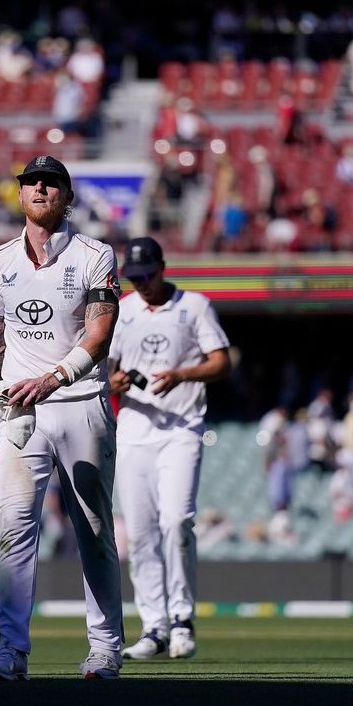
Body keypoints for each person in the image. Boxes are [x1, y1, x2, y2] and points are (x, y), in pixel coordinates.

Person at [0, 155, 124, 680]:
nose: (40, 188)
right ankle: (11, 650)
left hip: (80, 401)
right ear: (19, 195)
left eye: (51, 182)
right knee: (15, 530)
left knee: (93, 528)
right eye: (31, 182)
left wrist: (54, 377)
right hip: (20, 411)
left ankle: (105, 649)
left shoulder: (94, 254)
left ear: (67, 196)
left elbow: (99, 335)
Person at [108, 237, 231, 660]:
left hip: (182, 428)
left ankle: (181, 619)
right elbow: (104, 369)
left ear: (163, 268)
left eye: (147, 275)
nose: (141, 283)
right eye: (134, 277)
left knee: (177, 522)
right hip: (135, 429)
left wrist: (182, 375)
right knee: (140, 533)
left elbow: (222, 361)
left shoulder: (193, 305)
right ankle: (154, 627)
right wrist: (114, 383)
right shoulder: (123, 311)